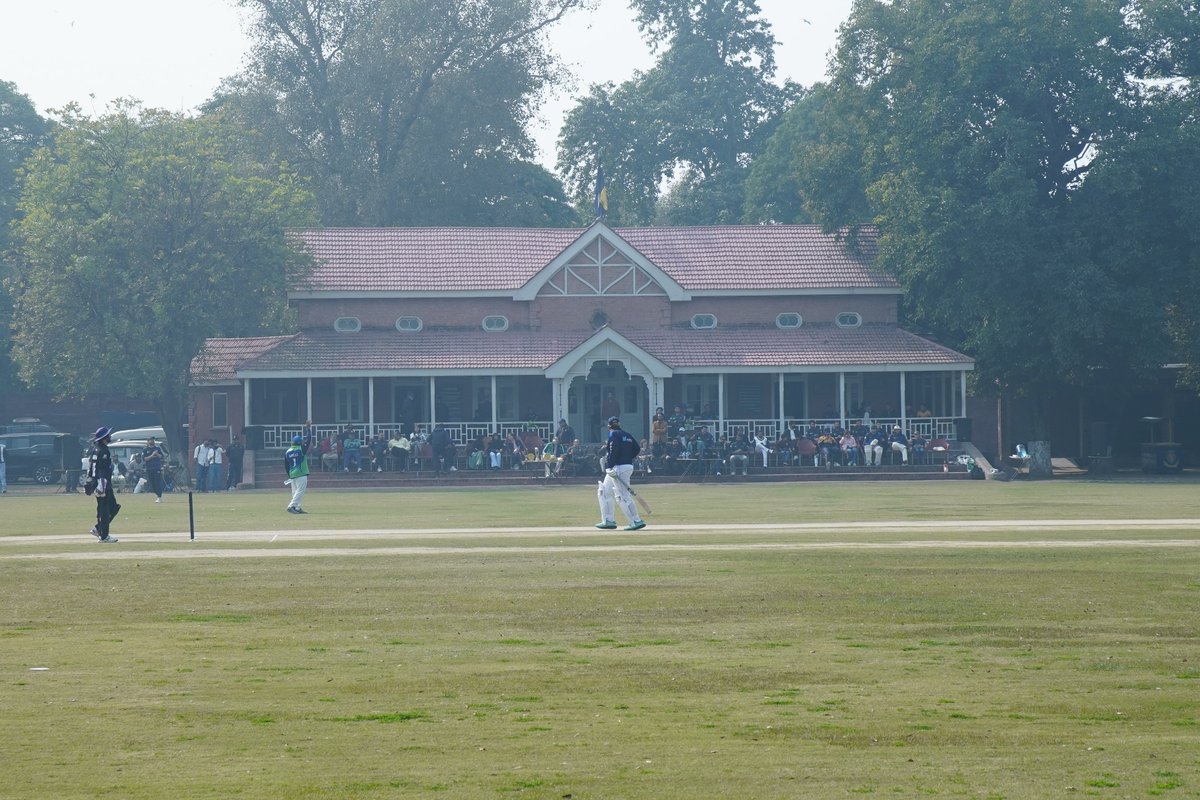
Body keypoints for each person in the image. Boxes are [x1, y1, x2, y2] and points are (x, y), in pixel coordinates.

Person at [595, 415, 646, 531]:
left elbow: (613, 451)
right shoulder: (627, 435)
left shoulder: (613, 434)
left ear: (609, 427)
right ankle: (608, 520)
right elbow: (637, 449)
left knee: (622, 495)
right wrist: (627, 458)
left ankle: (635, 521)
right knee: (604, 491)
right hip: (626, 466)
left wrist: (609, 465)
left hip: (617, 467)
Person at [86, 427, 120, 542]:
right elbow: (102, 470)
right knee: (104, 510)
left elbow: (90, 467)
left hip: (100, 483)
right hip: (102, 484)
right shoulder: (103, 450)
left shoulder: (95, 449)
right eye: (108, 435)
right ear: (105, 438)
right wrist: (101, 485)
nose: (110, 437)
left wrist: (89, 481)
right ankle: (104, 536)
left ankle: (98, 528)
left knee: (114, 507)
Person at [284, 432, 311, 514]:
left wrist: (290, 475)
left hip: (292, 474)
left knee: (295, 491)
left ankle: (297, 507)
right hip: (301, 473)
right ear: (299, 442)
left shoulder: (288, 451)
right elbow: (308, 440)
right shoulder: (301, 449)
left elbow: (286, 465)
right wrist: (308, 429)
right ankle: (291, 506)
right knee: (300, 491)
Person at [141, 436, 167, 502]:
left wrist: (157, 454)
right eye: (150, 440)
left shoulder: (157, 448)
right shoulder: (145, 450)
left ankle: (159, 497)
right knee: (152, 484)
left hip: (157, 468)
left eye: (153, 440)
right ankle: (158, 495)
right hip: (149, 468)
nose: (152, 441)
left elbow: (162, 457)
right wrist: (152, 455)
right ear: (148, 441)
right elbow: (145, 459)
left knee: (157, 482)